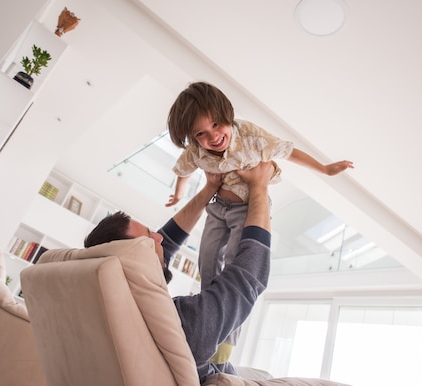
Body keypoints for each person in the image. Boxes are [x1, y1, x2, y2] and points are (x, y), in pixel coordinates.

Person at [165, 81, 354, 348]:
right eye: (201, 133)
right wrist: (178, 194)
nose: (213, 137)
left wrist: (324, 169)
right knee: (206, 259)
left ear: (227, 115)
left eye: (217, 124)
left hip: (246, 209)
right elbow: (182, 171)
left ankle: (227, 340)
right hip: (218, 208)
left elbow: (289, 151)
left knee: (234, 263)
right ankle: (209, 318)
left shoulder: (251, 137)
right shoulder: (196, 152)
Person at [84, 162, 276, 383]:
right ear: (133, 262)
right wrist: (260, 188)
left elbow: (166, 241)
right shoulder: (182, 324)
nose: (159, 238)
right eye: (149, 238)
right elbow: (248, 276)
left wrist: (209, 189)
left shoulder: (116, 307)